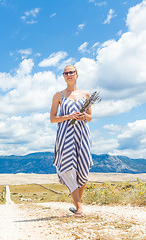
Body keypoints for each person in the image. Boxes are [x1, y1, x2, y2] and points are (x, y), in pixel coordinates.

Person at [50, 65, 93, 217]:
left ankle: (76, 204)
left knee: (84, 167)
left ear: (77, 74)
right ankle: (79, 208)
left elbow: (90, 117)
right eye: (65, 73)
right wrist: (69, 116)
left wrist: (83, 116)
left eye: (71, 72)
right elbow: (52, 118)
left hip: (82, 134)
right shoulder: (58, 95)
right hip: (65, 135)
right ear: (63, 76)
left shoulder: (86, 94)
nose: (69, 75)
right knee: (69, 168)